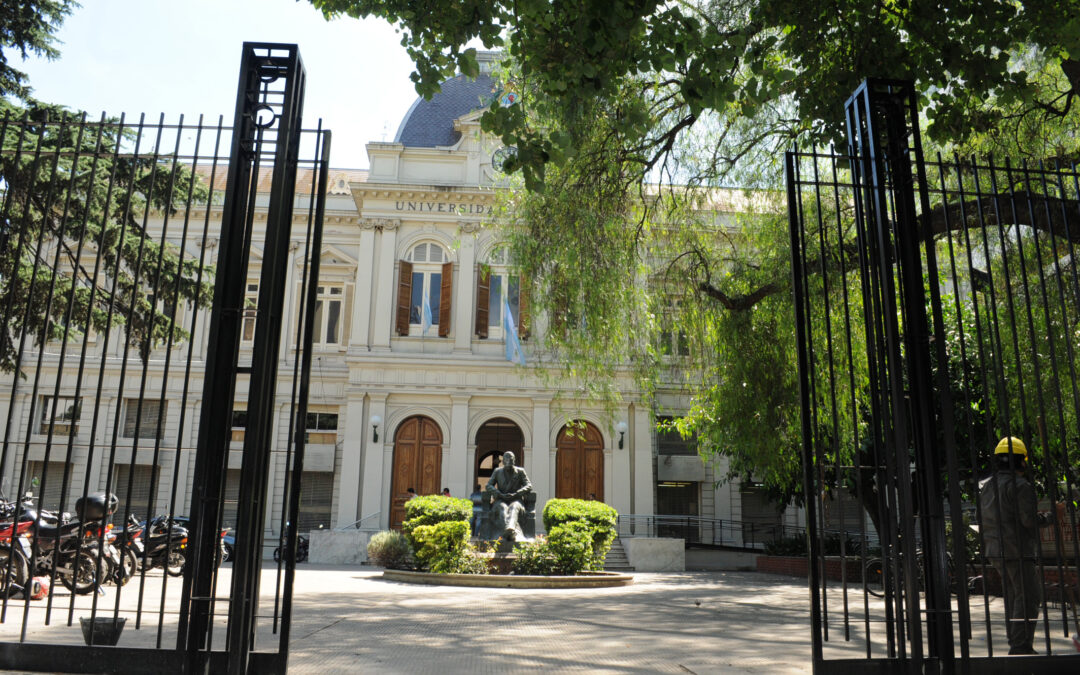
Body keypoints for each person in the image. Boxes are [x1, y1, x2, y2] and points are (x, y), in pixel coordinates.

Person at [978, 436, 1053, 655]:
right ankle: (1020, 646)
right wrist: (1051, 516)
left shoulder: (987, 486)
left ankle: (1016, 640)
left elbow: (979, 517)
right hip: (1017, 550)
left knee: (1014, 596)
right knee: (1028, 597)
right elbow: (1029, 520)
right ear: (1022, 461)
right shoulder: (1020, 486)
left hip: (995, 550)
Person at [484, 451, 534, 541]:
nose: (509, 461)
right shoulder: (497, 471)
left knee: (513, 507)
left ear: (514, 461)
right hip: (501, 500)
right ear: (503, 461)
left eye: (511, 459)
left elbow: (529, 485)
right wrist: (498, 493)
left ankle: (509, 528)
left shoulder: (520, 471)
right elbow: (488, 485)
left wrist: (517, 493)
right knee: (502, 508)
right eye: (506, 459)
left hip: (516, 500)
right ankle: (512, 533)